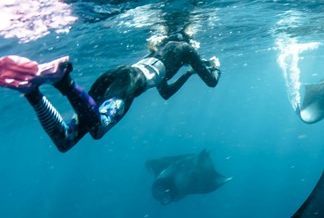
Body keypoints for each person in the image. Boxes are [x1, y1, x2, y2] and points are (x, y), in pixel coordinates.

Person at [0, 32, 221, 152]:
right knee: (98, 129)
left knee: (65, 141)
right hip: (130, 83)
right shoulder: (187, 50)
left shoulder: (162, 52)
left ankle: (31, 92)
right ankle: (64, 81)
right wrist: (216, 66)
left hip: (116, 74)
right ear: (189, 40)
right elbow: (211, 82)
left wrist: (188, 73)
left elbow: (165, 92)